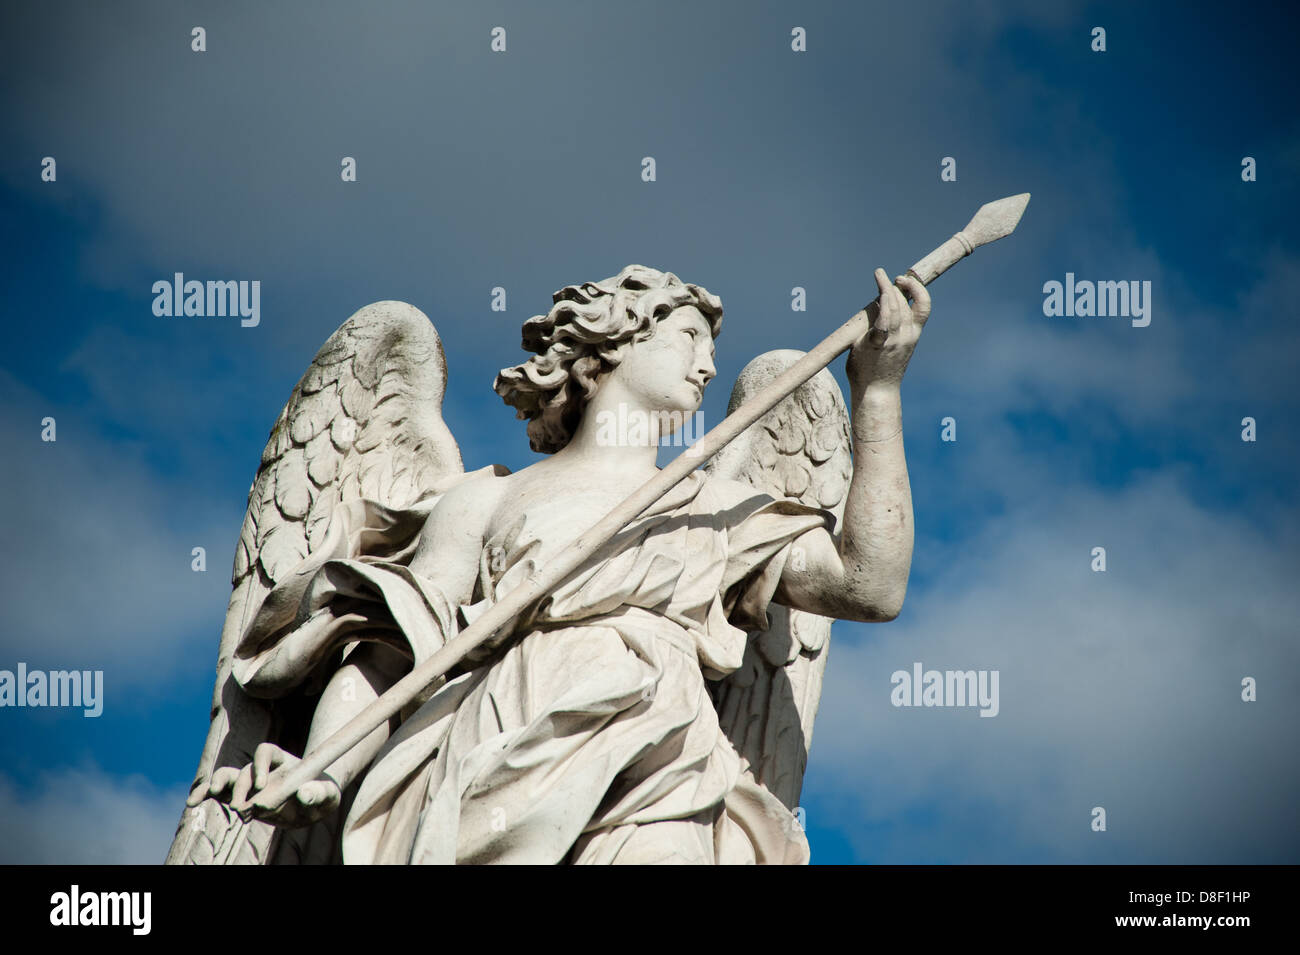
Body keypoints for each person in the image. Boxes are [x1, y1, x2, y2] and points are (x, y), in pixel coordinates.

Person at [208, 263, 930, 863]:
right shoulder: (485, 499)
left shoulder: (718, 505)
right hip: (500, 747)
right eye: (686, 338)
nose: (709, 364)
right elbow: (394, 651)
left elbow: (871, 585)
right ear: (614, 340)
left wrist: (880, 391)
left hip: (664, 762)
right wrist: (325, 761)